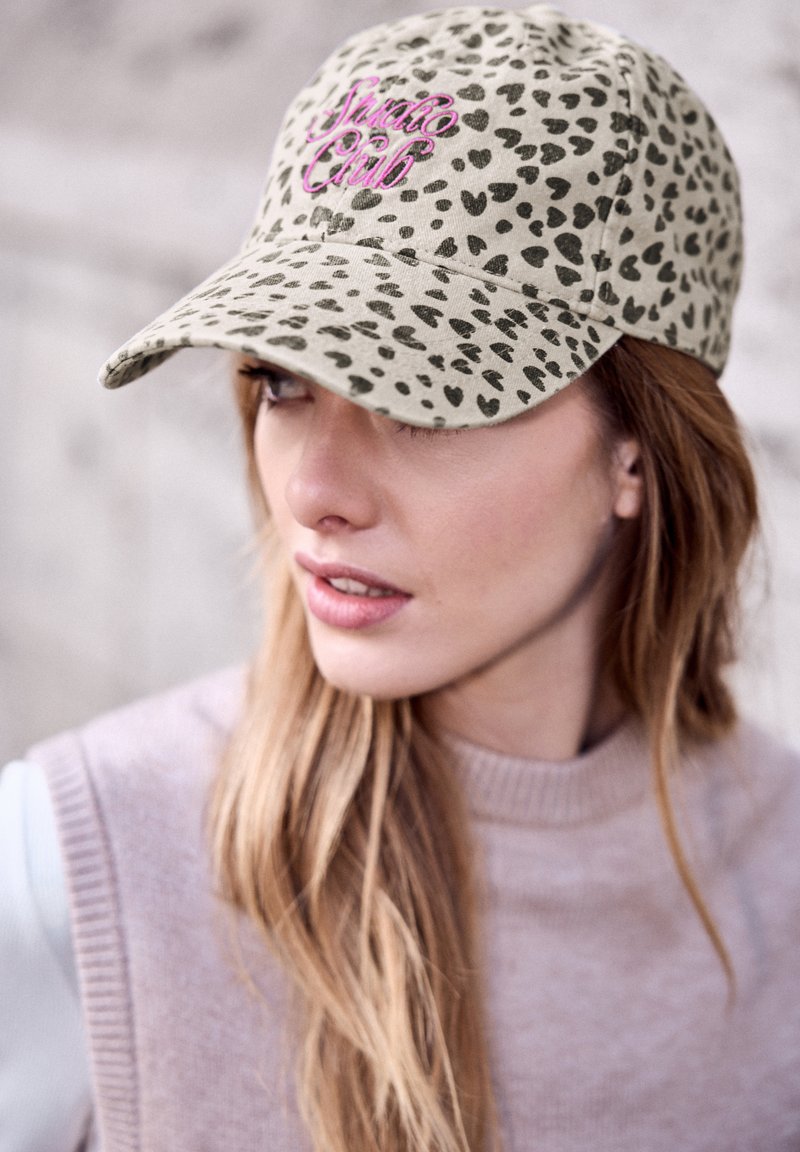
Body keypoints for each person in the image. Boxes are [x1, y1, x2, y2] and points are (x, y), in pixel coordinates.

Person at [2, 5, 799, 1150]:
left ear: (636, 449)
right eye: (283, 381)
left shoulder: (780, 877)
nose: (316, 490)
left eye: (424, 394)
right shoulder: (76, 869)